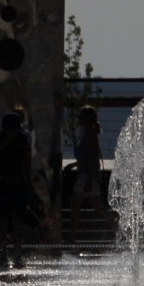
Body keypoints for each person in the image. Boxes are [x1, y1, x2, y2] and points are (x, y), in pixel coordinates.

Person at [0, 110, 39, 268]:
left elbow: (27, 163)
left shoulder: (22, 139)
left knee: (17, 222)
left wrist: (28, 185)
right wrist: (5, 143)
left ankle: (17, 254)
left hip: (17, 184)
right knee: (1, 222)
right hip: (1, 184)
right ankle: (3, 255)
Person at [65, 105, 105, 250]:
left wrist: (87, 179)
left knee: (76, 205)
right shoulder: (86, 134)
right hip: (87, 175)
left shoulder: (90, 135)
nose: (78, 118)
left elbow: (90, 158)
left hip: (87, 176)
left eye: (81, 116)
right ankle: (116, 227)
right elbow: (86, 157)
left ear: (87, 119)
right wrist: (74, 165)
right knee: (96, 206)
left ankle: (72, 237)